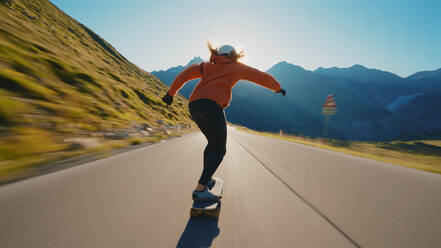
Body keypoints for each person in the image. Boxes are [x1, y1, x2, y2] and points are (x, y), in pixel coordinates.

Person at [162, 43, 286, 201]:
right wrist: (277, 88)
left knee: (212, 145)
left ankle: (207, 178)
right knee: (220, 150)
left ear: (218, 54)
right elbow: (259, 76)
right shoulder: (236, 67)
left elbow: (186, 74)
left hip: (194, 105)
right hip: (212, 106)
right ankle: (200, 190)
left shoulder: (206, 66)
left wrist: (171, 93)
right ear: (233, 55)